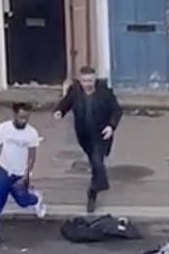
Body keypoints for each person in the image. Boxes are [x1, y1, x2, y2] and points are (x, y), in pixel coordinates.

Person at [53, 65, 123, 213]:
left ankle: (94, 190)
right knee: (94, 160)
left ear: (95, 79)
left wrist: (111, 126)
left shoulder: (104, 92)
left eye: (90, 80)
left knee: (97, 160)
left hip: (101, 134)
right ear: (80, 80)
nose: (87, 84)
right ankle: (100, 182)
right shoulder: (75, 91)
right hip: (84, 135)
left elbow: (116, 110)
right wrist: (59, 111)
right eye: (84, 81)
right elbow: (66, 102)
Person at [0, 102, 46, 251]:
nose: (23, 121)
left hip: (19, 174)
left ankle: (36, 199)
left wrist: (26, 174)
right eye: (21, 117)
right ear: (15, 115)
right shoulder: (4, 128)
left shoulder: (32, 133)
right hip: (3, 170)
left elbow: (32, 157)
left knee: (23, 201)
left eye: (26, 118)